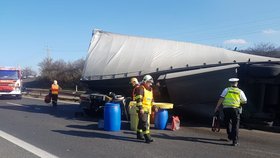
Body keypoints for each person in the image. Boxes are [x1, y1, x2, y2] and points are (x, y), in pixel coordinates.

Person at [214, 78, 247, 146]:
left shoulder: (226, 90)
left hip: (226, 109)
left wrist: (217, 107)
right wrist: (238, 102)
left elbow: (221, 98)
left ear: (231, 83)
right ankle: (234, 141)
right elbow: (244, 101)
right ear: (237, 83)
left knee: (228, 123)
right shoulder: (240, 91)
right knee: (235, 125)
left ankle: (230, 137)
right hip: (235, 109)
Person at [134, 75, 158, 143]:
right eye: (149, 82)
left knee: (141, 122)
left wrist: (154, 107)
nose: (151, 84)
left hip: (147, 109)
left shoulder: (150, 89)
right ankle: (147, 137)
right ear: (145, 81)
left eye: (151, 82)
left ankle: (139, 135)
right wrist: (140, 108)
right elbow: (138, 99)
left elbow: (152, 99)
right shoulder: (141, 88)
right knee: (145, 123)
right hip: (142, 109)